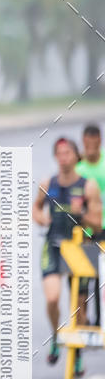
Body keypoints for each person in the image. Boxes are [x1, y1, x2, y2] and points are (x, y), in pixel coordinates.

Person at [33, 136, 101, 375]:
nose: (63, 158)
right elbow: (36, 208)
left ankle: (78, 355)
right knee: (52, 298)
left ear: (75, 156)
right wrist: (41, 218)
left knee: (79, 311)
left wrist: (80, 214)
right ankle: (55, 335)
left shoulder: (87, 185)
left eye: (67, 153)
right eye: (59, 153)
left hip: (81, 249)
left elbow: (97, 220)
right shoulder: (47, 182)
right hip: (53, 246)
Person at [76, 124, 105, 325]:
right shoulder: (78, 168)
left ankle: (100, 321)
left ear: (100, 141)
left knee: (101, 280)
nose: (91, 147)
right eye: (88, 143)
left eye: (95, 143)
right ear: (84, 142)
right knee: (83, 277)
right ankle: (82, 320)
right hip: (85, 230)